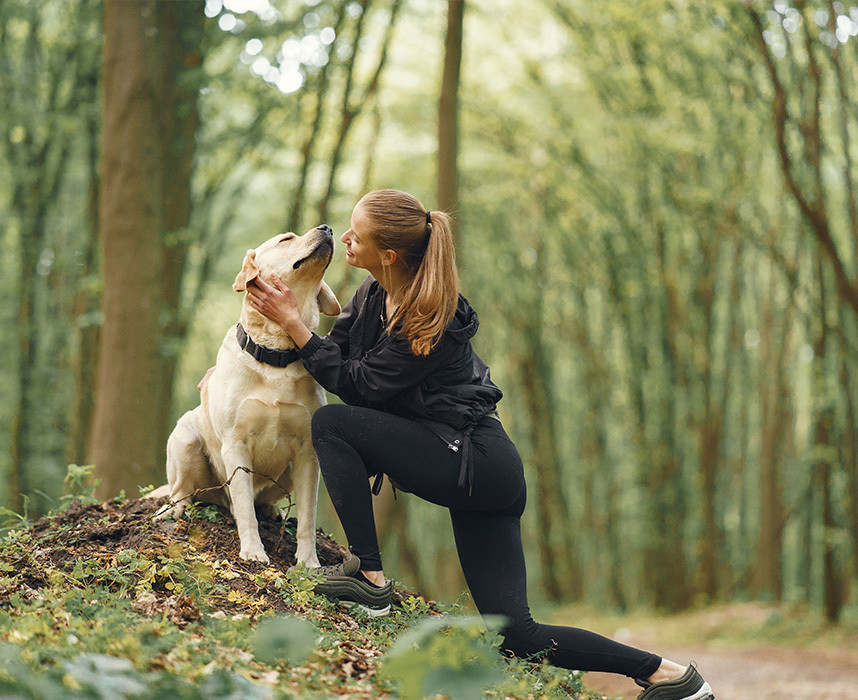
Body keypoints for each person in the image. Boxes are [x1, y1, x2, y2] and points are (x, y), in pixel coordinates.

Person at [244, 189, 714, 700]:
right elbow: (329, 357)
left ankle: (371, 580)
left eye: (358, 233)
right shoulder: (372, 297)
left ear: (390, 255)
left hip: (479, 463)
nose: (345, 236)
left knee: (334, 424)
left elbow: (361, 386)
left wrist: (293, 320)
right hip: (474, 472)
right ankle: (669, 676)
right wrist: (245, 366)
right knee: (516, 635)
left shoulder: (432, 316)